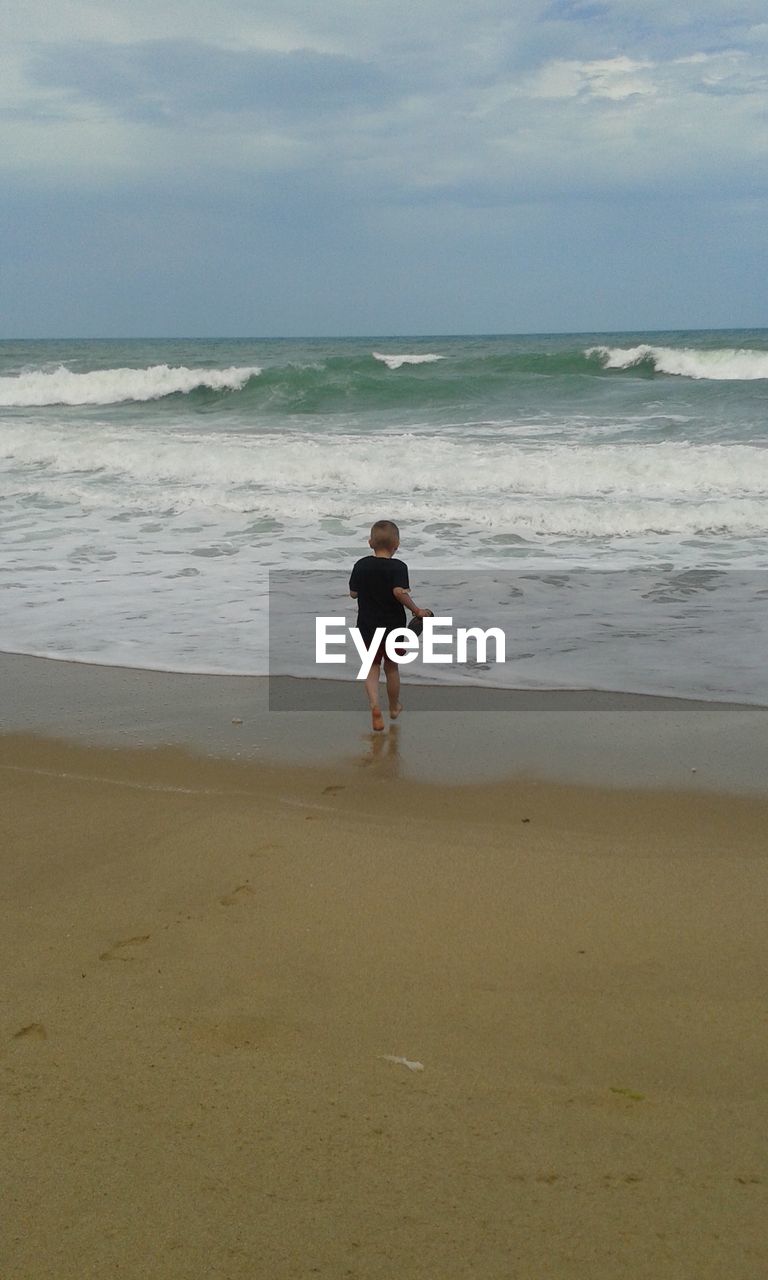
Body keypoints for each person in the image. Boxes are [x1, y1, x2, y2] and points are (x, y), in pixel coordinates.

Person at [349, 520, 430, 733]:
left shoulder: (361, 565)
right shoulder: (399, 567)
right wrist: (417, 610)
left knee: (371, 667)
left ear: (370, 543)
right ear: (397, 543)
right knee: (392, 668)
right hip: (393, 628)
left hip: (366, 626)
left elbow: (353, 593)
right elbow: (398, 592)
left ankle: (375, 706)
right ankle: (393, 706)